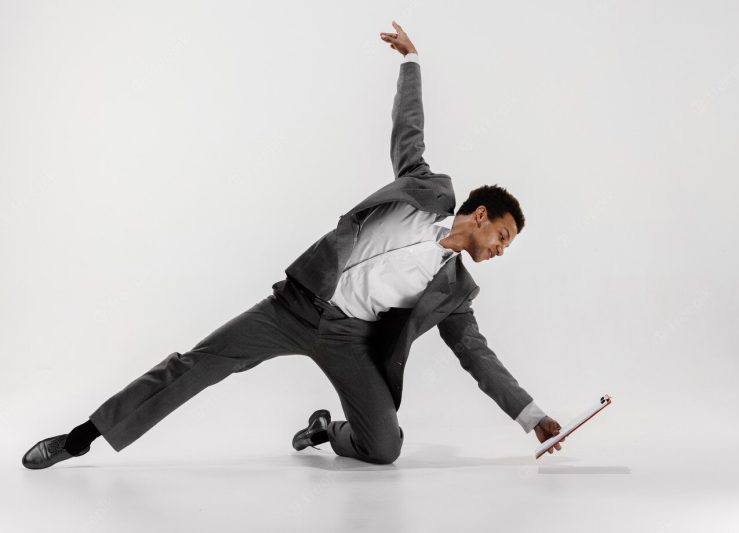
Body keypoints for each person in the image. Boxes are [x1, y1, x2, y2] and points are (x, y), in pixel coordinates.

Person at [21, 21, 565, 469]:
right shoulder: (424, 191)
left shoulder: (456, 294)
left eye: (506, 245)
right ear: (480, 213)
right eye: (503, 235)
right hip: (294, 307)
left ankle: (326, 432)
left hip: (349, 340)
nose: (500, 249)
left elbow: (478, 357)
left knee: (385, 447)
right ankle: (81, 436)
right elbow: (409, 132)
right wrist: (410, 63)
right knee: (197, 364)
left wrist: (529, 415)